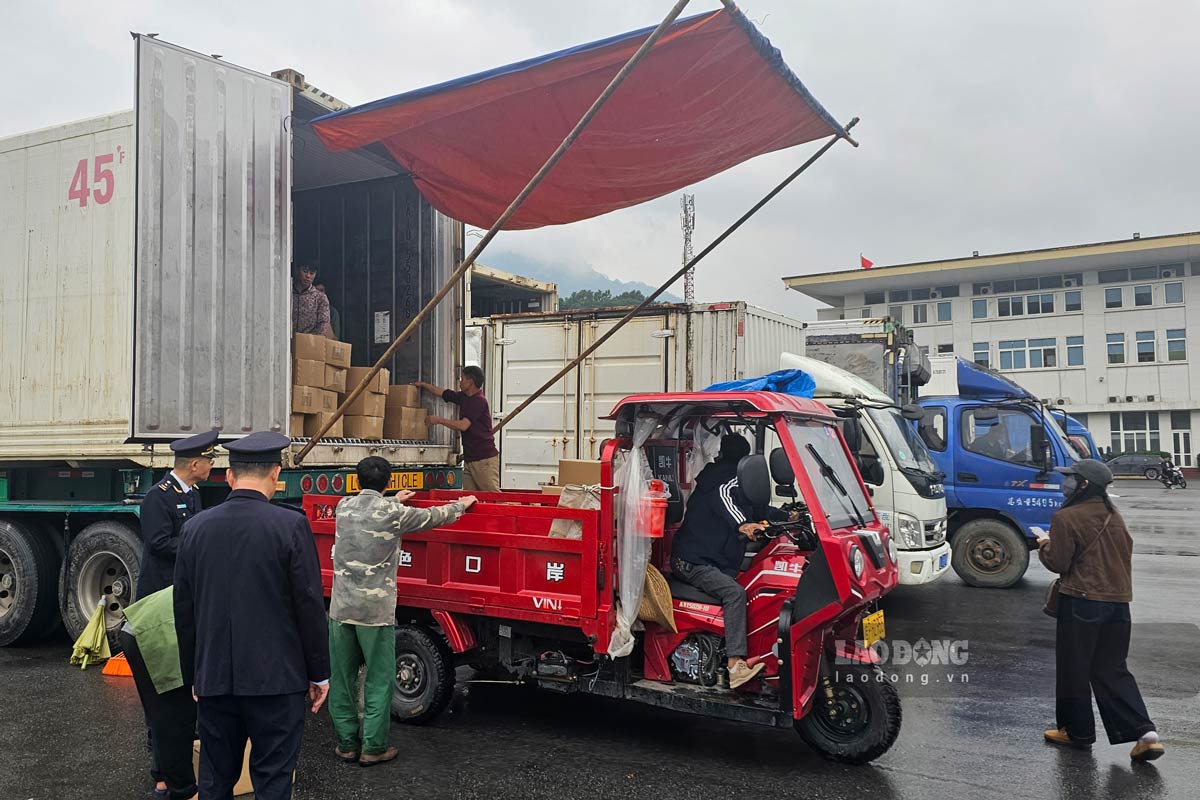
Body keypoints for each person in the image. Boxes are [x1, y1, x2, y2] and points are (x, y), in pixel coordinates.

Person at [174, 432, 331, 799]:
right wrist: (318, 672)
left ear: (229, 476)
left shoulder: (194, 529)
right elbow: (308, 604)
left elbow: (184, 609)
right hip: (277, 682)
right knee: (273, 778)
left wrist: (194, 674)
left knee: (215, 779)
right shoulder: (290, 525)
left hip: (214, 679)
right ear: (276, 474)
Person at [328, 457, 476, 766]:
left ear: (357, 482)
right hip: (374, 611)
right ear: (388, 483)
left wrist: (392, 501)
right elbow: (433, 516)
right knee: (379, 681)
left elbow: (371, 511)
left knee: (342, 679)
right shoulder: (393, 514)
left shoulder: (343, 507)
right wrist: (462, 504)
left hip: (341, 609)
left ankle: (346, 744)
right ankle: (373, 746)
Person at [1037, 458, 1165, 762]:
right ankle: (1146, 734)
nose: (1065, 483)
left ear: (1083, 485)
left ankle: (1076, 732)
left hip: (1081, 603)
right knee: (1112, 668)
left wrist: (1044, 543)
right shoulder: (1114, 516)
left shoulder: (1066, 517)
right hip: (1119, 604)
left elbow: (1059, 563)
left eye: (1070, 479)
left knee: (1074, 670)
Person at [669, 434, 788, 689]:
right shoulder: (724, 479)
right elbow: (723, 498)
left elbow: (758, 509)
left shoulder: (739, 483)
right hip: (692, 560)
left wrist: (789, 515)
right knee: (735, 594)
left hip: (713, 558)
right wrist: (743, 525)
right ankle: (735, 665)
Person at [120, 588, 198, 800]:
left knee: (160, 716)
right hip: (158, 635)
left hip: (137, 626)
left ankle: (163, 779)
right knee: (176, 718)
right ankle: (185, 792)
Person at [138, 430, 218, 600]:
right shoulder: (158, 496)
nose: (212, 465)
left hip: (182, 582)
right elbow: (158, 543)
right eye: (210, 460)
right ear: (195, 465)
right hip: (162, 588)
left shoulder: (193, 493)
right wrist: (197, 545)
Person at [415, 366, 500, 492]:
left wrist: (438, 420)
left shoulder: (478, 401)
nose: (460, 381)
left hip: (484, 461)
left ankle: (506, 512)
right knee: (470, 499)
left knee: (494, 498)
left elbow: (463, 425)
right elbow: (443, 393)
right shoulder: (464, 397)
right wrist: (422, 384)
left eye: (462, 379)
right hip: (470, 459)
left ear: (470, 382)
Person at [292, 262, 331, 337]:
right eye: (305, 271)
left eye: (312, 273)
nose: (308, 276)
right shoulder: (287, 293)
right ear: (297, 270)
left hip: (309, 343)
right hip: (286, 341)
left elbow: (324, 323)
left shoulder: (320, 298)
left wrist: (310, 339)